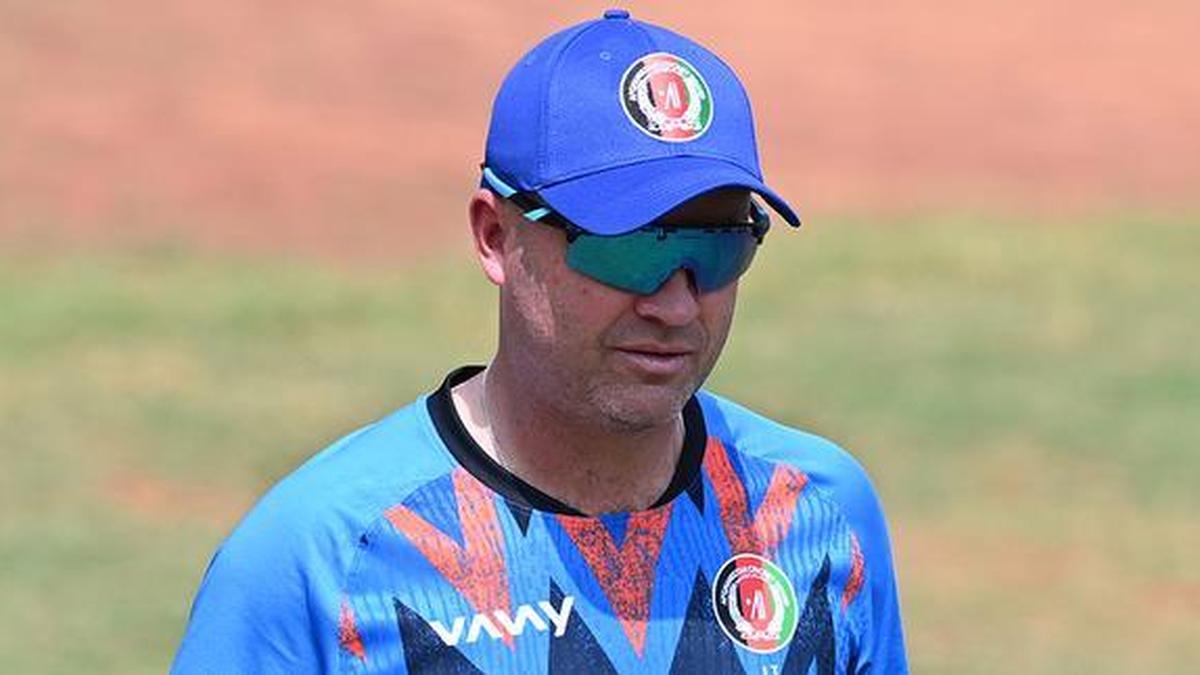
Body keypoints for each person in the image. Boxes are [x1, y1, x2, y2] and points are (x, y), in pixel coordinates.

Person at [172, 9, 907, 674]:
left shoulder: (815, 514)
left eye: (718, 246)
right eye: (627, 248)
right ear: (495, 236)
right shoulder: (320, 561)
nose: (677, 303)